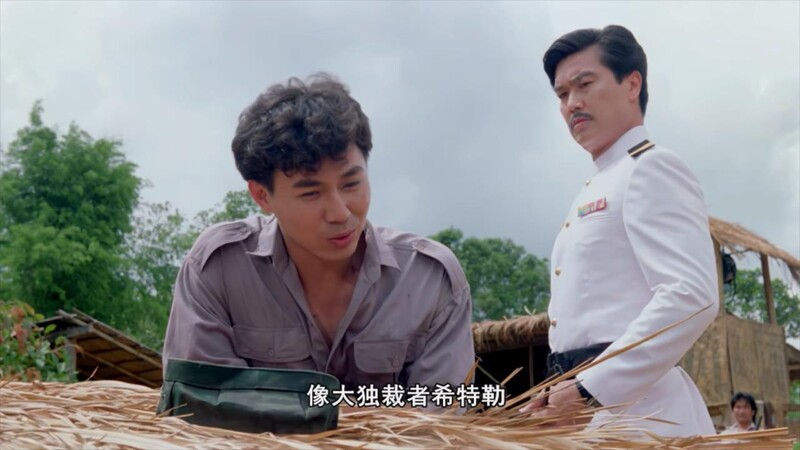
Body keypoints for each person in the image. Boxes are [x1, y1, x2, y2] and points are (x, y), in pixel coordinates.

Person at [162, 73, 475, 406]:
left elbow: (439, 420)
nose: (340, 212)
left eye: (351, 184)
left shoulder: (431, 280)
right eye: (311, 193)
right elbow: (202, 408)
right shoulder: (218, 269)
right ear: (262, 195)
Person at [520, 25, 719, 437]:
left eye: (584, 84)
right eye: (562, 94)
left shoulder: (651, 167)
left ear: (632, 84)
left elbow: (690, 295)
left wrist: (589, 390)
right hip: (581, 410)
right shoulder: (598, 184)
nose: (572, 103)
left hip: (641, 418)